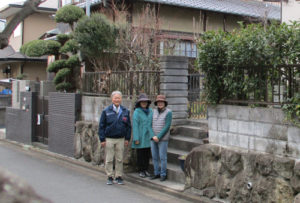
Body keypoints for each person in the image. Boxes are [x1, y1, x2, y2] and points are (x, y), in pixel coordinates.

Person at [98, 91, 131, 185]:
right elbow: (101, 126)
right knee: (109, 159)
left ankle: (118, 176)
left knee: (119, 159)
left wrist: (127, 138)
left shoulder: (125, 111)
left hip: (121, 138)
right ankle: (109, 176)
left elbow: (128, 126)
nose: (117, 99)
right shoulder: (106, 111)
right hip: (109, 139)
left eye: (119, 98)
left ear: (121, 99)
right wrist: (102, 139)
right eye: (115, 98)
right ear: (112, 99)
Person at [150, 95, 172, 182]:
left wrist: (158, 137)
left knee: (162, 157)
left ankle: (163, 174)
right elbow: (149, 125)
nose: (160, 103)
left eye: (161, 102)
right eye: (158, 102)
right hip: (153, 138)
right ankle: (156, 172)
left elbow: (167, 126)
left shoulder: (168, 112)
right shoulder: (153, 111)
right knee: (154, 157)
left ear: (164, 103)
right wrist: (153, 136)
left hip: (163, 139)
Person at [131, 93, 153, 178]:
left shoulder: (151, 111)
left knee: (147, 154)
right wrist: (136, 138)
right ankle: (141, 170)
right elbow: (135, 126)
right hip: (140, 135)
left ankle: (146, 169)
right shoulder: (137, 112)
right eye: (142, 102)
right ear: (139, 103)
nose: (144, 103)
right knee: (140, 153)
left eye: (145, 102)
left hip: (148, 135)